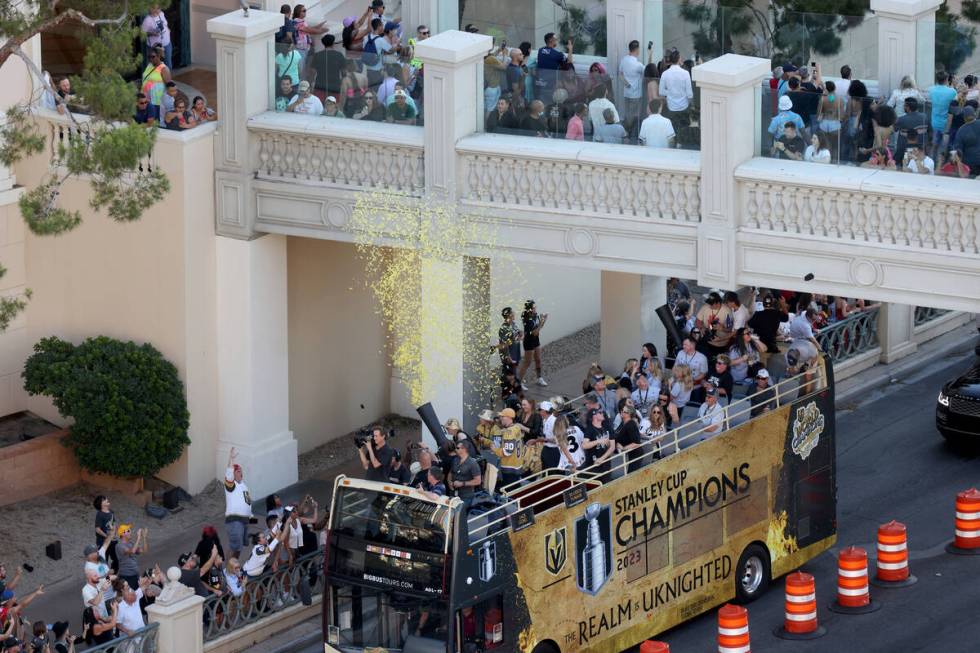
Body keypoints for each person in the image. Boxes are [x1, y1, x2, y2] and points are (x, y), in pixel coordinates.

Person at [223, 447, 252, 561]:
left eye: (241, 470)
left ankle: (233, 567)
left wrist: (252, 519)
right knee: (234, 546)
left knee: (239, 548)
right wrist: (231, 459)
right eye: (238, 471)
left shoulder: (244, 486)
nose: (241, 472)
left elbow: (248, 504)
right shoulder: (231, 485)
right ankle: (228, 571)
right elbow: (229, 473)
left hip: (245, 521)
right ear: (233, 474)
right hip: (235, 520)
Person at [658, 48, 692, 134]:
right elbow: (690, 94)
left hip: (671, 106)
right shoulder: (685, 73)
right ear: (679, 59)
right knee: (684, 131)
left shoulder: (665, 74)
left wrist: (671, 92)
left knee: (672, 131)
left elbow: (661, 92)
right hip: (684, 106)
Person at [517, 299, 548, 386]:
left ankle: (539, 378)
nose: (536, 308)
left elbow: (538, 328)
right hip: (529, 341)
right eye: (534, 307)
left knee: (538, 360)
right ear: (530, 309)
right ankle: (519, 383)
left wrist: (543, 320)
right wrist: (542, 321)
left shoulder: (535, 315)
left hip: (535, 340)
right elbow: (535, 332)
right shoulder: (527, 319)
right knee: (527, 362)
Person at [491, 408, 524, 488]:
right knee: (516, 489)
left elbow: (507, 451)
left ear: (509, 418)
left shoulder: (509, 432)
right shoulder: (516, 427)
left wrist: (495, 450)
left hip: (509, 467)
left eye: (503, 416)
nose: (501, 418)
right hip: (517, 465)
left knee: (510, 492)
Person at [928, 71, 957, 161]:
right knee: (944, 149)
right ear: (946, 80)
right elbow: (955, 106)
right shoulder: (952, 92)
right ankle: (942, 167)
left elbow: (928, 102)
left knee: (934, 146)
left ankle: (931, 164)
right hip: (947, 124)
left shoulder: (931, 90)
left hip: (934, 122)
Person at [535, 33, 573, 101]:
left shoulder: (540, 51)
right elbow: (569, 62)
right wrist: (570, 49)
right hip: (550, 85)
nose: (557, 41)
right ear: (550, 40)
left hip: (539, 83)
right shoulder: (558, 55)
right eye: (556, 39)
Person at [620, 40, 645, 139]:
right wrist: (650, 54)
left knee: (628, 114)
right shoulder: (637, 64)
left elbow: (620, 74)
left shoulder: (623, 60)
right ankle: (625, 133)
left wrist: (627, 84)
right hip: (636, 94)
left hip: (627, 93)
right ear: (637, 49)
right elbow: (648, 70)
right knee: (633, 116)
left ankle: (626, 132)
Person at [582, 408, 615, 478]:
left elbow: (612, 447)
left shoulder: (608, 428)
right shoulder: (589, 429)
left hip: (606, 463)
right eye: (600, 412)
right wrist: (598, 441)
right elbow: (584, 445)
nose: (602, 414)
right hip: (593, 464)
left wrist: (602, 458)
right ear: (594, 416)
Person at [115, 524, 147, 591]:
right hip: (126, 576)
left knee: (138, 594)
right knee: (130, 595)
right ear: (123, 534)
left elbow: (144, 551)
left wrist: (144, 537)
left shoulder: (131, 543)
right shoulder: (119, 546)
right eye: (128, 531)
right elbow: (132, 551)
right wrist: (138, 538)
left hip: (135, 574)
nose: (131, 532)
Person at [449, 440, 481, 506]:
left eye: (457, 448)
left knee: (461, 514)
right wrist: (449, 482)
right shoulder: (455, 460)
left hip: (466, 496)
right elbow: (450, 473)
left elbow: (478, 481)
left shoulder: (472, 463)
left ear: (464, 449)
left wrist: (462, 483)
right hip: (453, 493)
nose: (455, 449)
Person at [951, 105, 980, 176]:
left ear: (964, 118)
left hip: (971, 164)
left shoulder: (961, 131)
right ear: (975, 114)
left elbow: (958, 152)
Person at [140, 46, 171, 114]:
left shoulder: (164, 69)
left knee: (155, 120)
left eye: (153, 56)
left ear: (159, 56)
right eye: (149, 57)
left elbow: (170, 87)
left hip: (157, 102)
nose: (150, 59)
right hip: (145, 99)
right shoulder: (149, 65)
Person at [141, 5, 172, 69]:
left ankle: (167, 78)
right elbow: (142, 33)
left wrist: (168, 30)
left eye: (158, 8)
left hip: (166, 44)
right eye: (153, 8)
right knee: (154, 67)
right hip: (154, 47)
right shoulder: (147, 20)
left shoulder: (161, 14)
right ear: (149, 9)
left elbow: (165, 24)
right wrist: (152, 33)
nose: (156, 10)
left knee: (168, 65)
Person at [615, 405, 644, 473]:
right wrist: (617, 443)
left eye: (624, 412)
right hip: (628, 456)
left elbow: (636, 443)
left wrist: (623, 448)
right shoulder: (623, 423)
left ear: (629, 414)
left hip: (635, 455)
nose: (621, 412)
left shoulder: (631, 424)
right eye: (621, 411)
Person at [497, 307, 522, 372]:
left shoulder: (513, 323)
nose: (514, 313)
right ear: (509, 315)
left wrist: (520, 333)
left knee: (514, 369)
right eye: (512, 312)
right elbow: (504, 345)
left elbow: (517, 332)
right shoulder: (504, 329)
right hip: (509, 355)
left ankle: (516, 381)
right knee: (509, 373)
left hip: (515, 351)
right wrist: (508, 357)